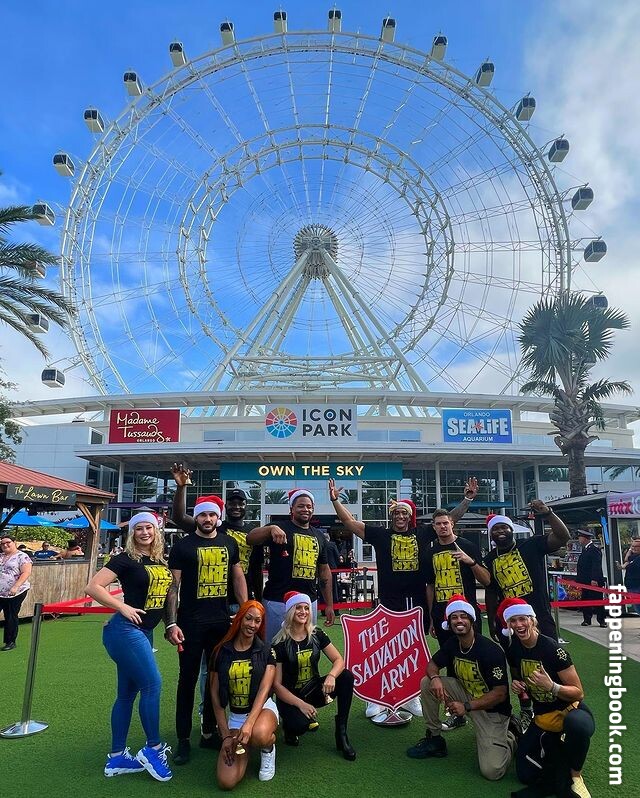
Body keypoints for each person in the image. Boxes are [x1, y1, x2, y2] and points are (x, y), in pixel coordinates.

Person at [328, 476, 478, 718]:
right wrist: (335, 501)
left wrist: (467, 499)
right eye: (396, 513)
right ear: (392, 516)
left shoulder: (423, 533)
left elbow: (451, 518)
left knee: (413, 647)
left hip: (416, 600)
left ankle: (411, 694)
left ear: (410, 517)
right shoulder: (380, 535)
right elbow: (349, 522)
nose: (400, 517)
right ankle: (377, 697)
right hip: (389, 600)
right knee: (385, 647)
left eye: (404, 513)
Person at [85, 511, 173, 781]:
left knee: (126, 695)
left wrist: (171, 624)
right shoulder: (125, 559)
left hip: (144, 632)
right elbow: (93, 587)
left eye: (149, 528)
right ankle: (153, 749)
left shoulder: (158, 560)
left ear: (156, 531)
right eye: (139, 528)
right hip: (125, 630)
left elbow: (164, 596)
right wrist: (121, 607)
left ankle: (117, 758)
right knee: (152, 685)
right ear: (132, 533)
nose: (144, 532)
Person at [165, 494, 247, 765]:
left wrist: (245, 609)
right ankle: (183, 739)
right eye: (202, 514)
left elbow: (237, 576)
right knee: (187, 680)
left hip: (220, 623)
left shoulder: (229, 543)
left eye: (212, 514)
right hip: (190, 623)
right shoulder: (183, 546)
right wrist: (171, 622)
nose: (207, 519)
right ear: (196, 517)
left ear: (218, 517)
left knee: (217, 679)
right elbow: (173, 586)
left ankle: (209, 732)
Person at [406, 594, 517, 781]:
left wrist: (466, 706)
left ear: (472, 621)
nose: (459, 621)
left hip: (491, 710)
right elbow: (432, 665)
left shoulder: (490, 651)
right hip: (466, 695)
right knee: (427, 682)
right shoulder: (453, 643)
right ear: (449, 623)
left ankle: (511, 737)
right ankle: (434, 738)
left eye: (463, 616)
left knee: (492, 771)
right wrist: (435, 678)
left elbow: (500, 694)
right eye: (454, 617)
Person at [501, 597, 595, 798]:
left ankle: (575, 774)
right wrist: (518, 685)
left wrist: (552, 686)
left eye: (522, 619)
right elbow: (519, 678)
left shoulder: (553, 649)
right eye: (513, 621)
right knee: (525, 775)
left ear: (532, 620)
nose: (518, 624)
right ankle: (557, 749)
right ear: (509, 625)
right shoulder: (513, 648)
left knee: (578, 725)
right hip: (543, 717)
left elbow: (578, 692)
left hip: (570, 710)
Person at [425, 508, 491, 731]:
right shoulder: (430, 552)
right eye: (438, 524)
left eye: (445, 523)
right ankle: (457, 713)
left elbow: (487, 580)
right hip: (442, 616)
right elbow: (430, 586)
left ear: (452, 523)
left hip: (468, 615)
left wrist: (470, 562)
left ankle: (485, 708)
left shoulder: (468, 546)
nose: (442, 526)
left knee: (477, 661)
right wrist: (432, 617)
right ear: (434, 527)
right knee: (451, 662)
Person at [272, 591, 356, 760]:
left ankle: (341, 733)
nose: (303, 612)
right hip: (291, 697)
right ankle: (289, 727)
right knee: (299, 726)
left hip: (313, 690)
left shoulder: (317, 634)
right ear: (290, 611)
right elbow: (277, 686)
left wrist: (331, 676)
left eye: (306, 608)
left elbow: (339, 660)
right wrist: (301, 705)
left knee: (346, 676)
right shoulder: (279, 642)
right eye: (298, 608)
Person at [246, 489, 334, 643]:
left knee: (306, 647)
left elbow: (324, 571)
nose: (305, 509)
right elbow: (250, 538)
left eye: (309, 506)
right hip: (277, 601)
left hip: (308, 603)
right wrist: (270, 529)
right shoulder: (279, 527)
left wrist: (329, 605)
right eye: (300, 506)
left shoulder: (319, 536)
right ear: (291, 509)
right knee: (274, 647)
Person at [170, 465, 264, 606]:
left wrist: (258, 601)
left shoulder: (252, 534)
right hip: (212, 600)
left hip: (241, 600)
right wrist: (181, 487)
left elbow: (256, 570)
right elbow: (179, 517)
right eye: (232, 503)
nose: (236, 507)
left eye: (240, 503)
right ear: (225, 507)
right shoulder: (212, 527)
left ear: (246, 506)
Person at [210, 600, 278, 788]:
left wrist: (248, 725)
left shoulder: (266, 650)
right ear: (240, 619)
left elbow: (264, 690)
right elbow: (215, 695)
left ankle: (268, 747)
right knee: (226, 781)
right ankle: (247, 743)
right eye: (248, 618)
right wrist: (226, 736)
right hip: (236, 717)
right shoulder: (220, 651)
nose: (252, 625)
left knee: (259, 734)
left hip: (262, 709)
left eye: (257, 621)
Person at [484, 500, 570, 642]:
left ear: (512, 530)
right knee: (516, 655)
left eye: (504, 527)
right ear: (490, 534)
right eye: (495, 529)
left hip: (539, 614)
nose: (500, 531)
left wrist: (548, 513)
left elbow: (563, 537)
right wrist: (492, 620)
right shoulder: (489, 559)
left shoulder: (531, 544)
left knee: (550, 652)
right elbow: (491, 591)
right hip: (510, 619)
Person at [0, 534, 32, 651]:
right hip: (1, 591)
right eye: (2, 543)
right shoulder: (1, 556)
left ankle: (10, 642)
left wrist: (16, 586)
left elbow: (26, 572)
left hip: (16, 591)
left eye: (8, 542)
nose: (5, 545)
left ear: (14, 542)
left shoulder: (22, 556)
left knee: (10, 615)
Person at [575, 530, 606, 627]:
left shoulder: (594, 549)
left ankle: (601, 620)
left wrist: (594, 579)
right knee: (586, 600)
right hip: (585, 581)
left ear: (585, 538)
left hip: (593, 581)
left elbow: (596, 565)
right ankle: (587, 619)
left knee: (597, 600)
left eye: (580, 537)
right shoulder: (585, 549)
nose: (579, 539)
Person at [620, 537, 640, 615]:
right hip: (631, 586)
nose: (633, 548)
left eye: (636, 546)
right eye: (632, 546)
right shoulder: (633, 557)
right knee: (637, 607)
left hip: (637, 586)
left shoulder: (637, 559)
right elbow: (626, 559)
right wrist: (630, 550)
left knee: (638, 607)